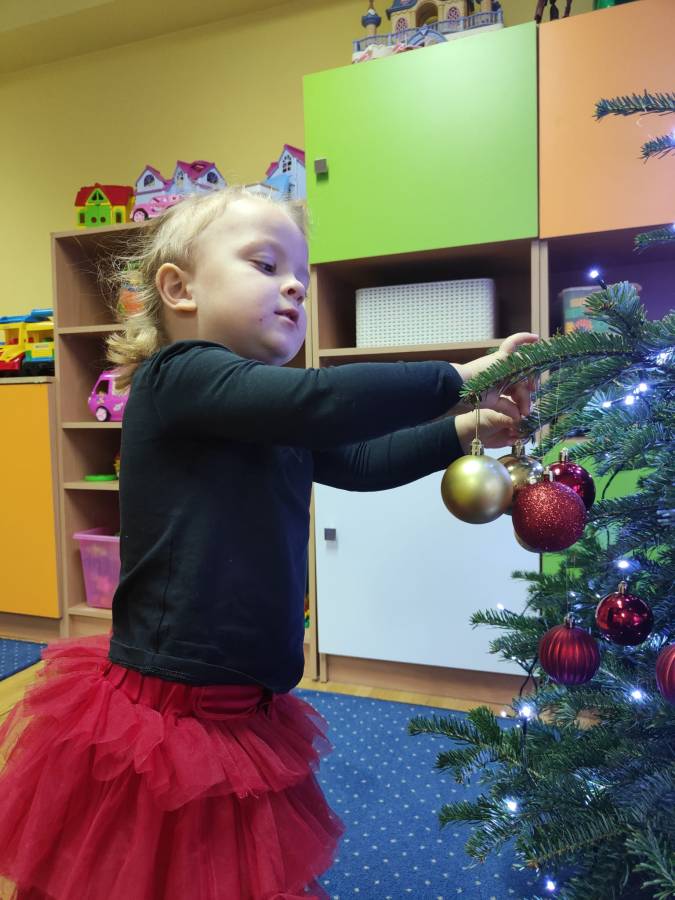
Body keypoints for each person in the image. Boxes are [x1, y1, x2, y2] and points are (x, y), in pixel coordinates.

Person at [0, 186, 537, 900]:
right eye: (264, 264)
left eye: (300, 276)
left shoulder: (270, 412)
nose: (294, 286)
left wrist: (466, 429)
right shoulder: (178, 376)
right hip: (170, 701)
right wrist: (460, 378)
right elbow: (319, 402)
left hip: (246, 691)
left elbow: (360, 462)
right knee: (153, 868)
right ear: (179, 289)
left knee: (228, 865)